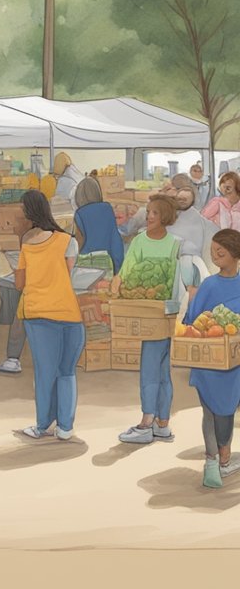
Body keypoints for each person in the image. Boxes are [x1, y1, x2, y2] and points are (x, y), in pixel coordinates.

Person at [112, 195, 197, 445]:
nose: (149, 217)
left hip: (163, 313)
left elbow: (187, 279)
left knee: (150, 369)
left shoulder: (176, 245)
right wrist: (117, 285)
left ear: (166, 218)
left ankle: (146, 423)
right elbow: (125, 273)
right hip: (147, 309)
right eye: (148, 212)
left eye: (155, 213)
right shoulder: (139, 241)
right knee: (161, 371)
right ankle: (162, 424)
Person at [16, 190, 86, 441]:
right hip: (69, 313)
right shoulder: (68, 241)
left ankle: (43, 424)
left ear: (28, 212)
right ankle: (65, 427)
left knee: (45, 372)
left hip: (38, 314)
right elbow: (67, 275)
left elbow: (19, 283)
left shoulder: (26, 242)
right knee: (66, 371)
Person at [186, 230, 240, 487]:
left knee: (226, 410)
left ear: (236, 255)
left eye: (221, 252)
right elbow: (191, 321)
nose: (215, 256)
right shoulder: (209, 285)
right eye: (213, 252)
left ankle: (225, 459)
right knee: (209, 411)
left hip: (233, 364)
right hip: (208, 360)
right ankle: (211, 462)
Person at [73, 176, 125, 274]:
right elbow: (115, 240)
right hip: (109, 264)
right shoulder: (108, 209)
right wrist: (118, 268)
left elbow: (78, 244)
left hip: (87, 265)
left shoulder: (79, 214)